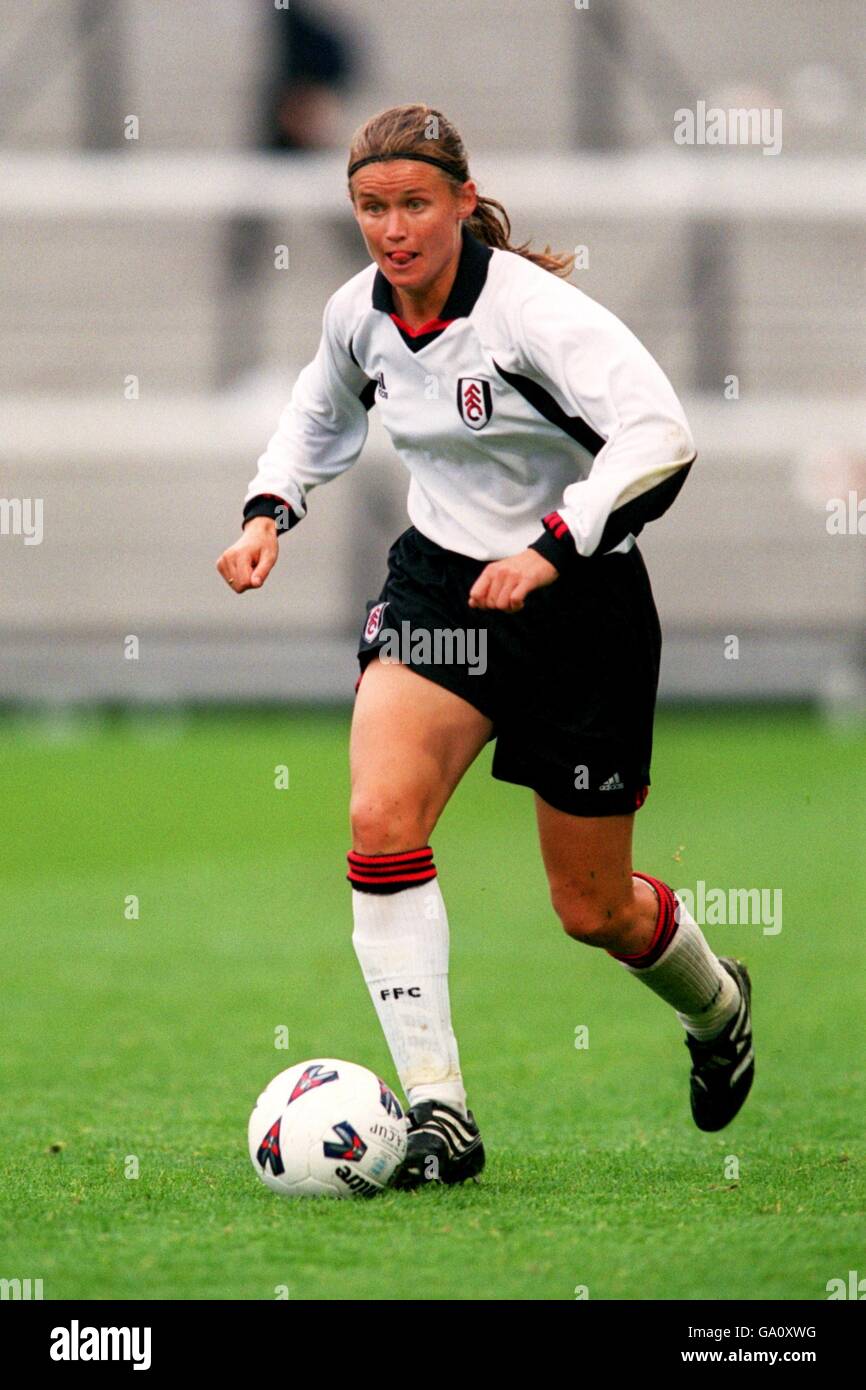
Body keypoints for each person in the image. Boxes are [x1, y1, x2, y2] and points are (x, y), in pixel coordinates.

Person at [216, 103, 755, 1190]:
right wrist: (268, 508)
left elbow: (659, 435)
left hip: (579, 607)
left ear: (464, 203)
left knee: (590, 908)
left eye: (414, 203)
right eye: (371, 207)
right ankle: (438, 1112)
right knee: (378, 819)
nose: (391, 228)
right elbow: (317, 411)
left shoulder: (533, 315)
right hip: (441, 587)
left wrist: (556, 545)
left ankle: (719, 1006)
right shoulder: (357, 313)